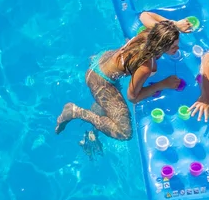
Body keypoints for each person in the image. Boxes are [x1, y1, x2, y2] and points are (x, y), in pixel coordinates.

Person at [55, 12, 193, 141]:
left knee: (108, 104)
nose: (178, 49)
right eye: (174, 46)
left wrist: (175, 25)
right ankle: (75, 112)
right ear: (161, 46)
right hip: (100, 80)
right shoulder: (145, 66)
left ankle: (100, 107)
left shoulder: (152, 32)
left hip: (101, 59)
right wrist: (162, 84)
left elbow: (144, 15)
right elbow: (132, 97)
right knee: (125, 133)